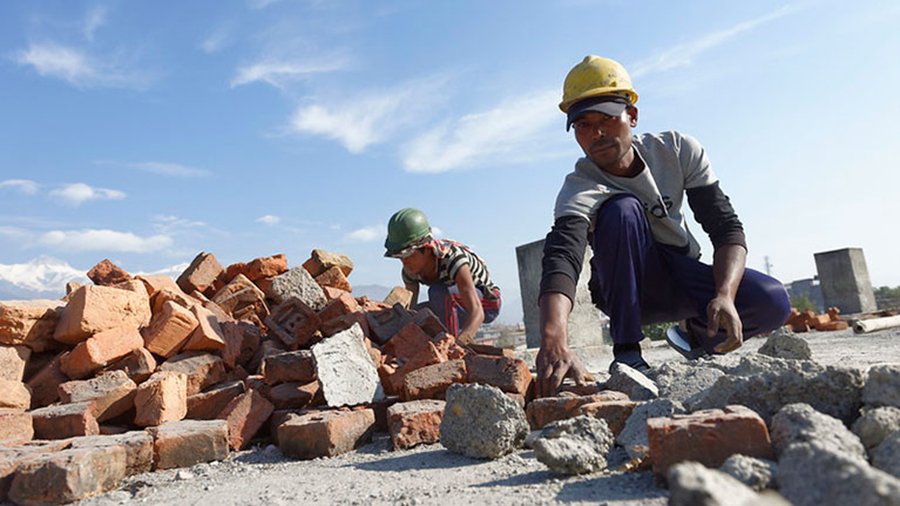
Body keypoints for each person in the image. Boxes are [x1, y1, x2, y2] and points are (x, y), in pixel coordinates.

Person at [536, 56, 791, 397]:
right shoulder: (579, 186)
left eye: (608, 119)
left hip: (682, 274)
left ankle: (696, 334)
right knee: (621, 210)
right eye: (583, 125)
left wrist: (725, 295)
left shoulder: (676, 150)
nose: (596, 133)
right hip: (627, 287)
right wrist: (554, 339)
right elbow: (562, 258)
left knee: (772, 302)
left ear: (633, 116)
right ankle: (627, 353)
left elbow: (725, 226)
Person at [384, 208, 501, 344]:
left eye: (408, 255)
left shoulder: (453, 259)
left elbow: (477, 312)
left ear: (426, 249)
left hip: (486, 304)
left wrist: (461, 343)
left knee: (439, 292)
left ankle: (449, 346)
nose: (404, 262)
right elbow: (411, 307)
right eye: (400, 257)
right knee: (418, 313)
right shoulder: (409, 271)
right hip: (452, 305)